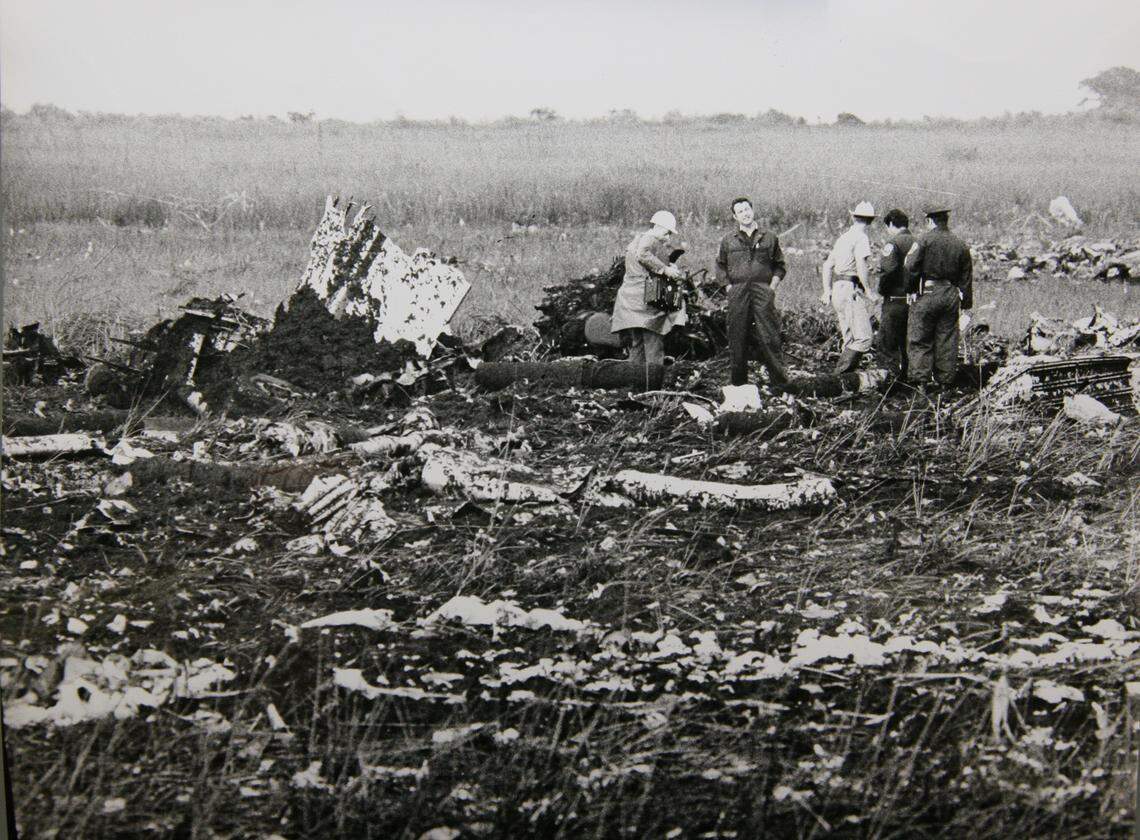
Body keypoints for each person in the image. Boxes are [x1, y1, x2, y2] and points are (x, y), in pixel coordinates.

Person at [715, 197, 788, 388]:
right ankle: (739, 385)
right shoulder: (728, 240)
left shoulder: (769, 237)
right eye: (740, 211)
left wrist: (772, 287)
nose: (745, 214)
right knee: (737, 336)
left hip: (762, 290)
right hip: (738, 291)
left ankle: (780, 384)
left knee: (769, 336)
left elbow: (780, 266)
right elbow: (720, 266)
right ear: (735, 216)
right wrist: (728, 288)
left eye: (747, 209)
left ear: (752, 210)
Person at [904, 205, 973, 392]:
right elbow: (966, 276)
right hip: (950, 294)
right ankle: (945, 383)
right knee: (947, 339)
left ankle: (921, 383)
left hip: (927, 293)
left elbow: (910, 266)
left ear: (929, 220)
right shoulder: (960, 243)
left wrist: (910, 289)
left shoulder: (924, 240)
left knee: (920, 337)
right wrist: (966, 303)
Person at [611, 210, 686, 366]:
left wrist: (666, 266)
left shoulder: (636, 240)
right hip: (646, 298)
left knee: (637, 344)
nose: (668, 237)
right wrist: (667, 270)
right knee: (653, 344)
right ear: (658, 227)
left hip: (629, 299)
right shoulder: (650, 240)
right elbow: (643, 255)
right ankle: (654, 379)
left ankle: (635, 378)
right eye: (667, 232)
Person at [820, 201, 880, 374]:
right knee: (864, 338)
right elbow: (861, 265)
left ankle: (844, 380)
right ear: (870, 221)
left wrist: (827, 291)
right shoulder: (861, 238)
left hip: (838, 288)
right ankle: (839, 375)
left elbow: (827, 265)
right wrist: (868, 291)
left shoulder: (843, 238)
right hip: (850, 288)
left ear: (853, 217)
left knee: (850, 338)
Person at [874, 208, 917, 379]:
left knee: (887, 342)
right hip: (914, 299)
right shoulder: (918, 242)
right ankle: (908, 378)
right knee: (908, 341)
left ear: (891, 224)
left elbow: (889, 270)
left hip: (894, 299)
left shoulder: (893, 244)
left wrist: (882, 290)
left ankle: (888, 380)